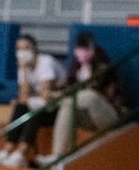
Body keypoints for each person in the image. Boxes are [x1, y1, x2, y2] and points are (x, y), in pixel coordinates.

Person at [0, 34, 61, 168]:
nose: (22, 52)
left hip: (59, 106)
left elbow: (46, 93)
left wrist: (30, 98)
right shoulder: (22, 67)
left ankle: (21, 153)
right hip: (41, 106)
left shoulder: (46, 61)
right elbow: (23, 97)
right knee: (20, 106)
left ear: (34, 49)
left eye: (26, 48)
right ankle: (7, 150)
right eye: (19, 49)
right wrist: (23, 70)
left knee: (34, 109)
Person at [49, 31, 122, 159]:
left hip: (108, 114)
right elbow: (68, 86)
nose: (81, 52)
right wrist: (56, 92)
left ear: (91, 49)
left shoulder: (101, 63)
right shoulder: (77, 66)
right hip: (89, 117)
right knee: (67, 106)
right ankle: (57, 156)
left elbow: (95, 89)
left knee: (88, 96)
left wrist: (64, 95)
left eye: (85, 48)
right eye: (79, 48)